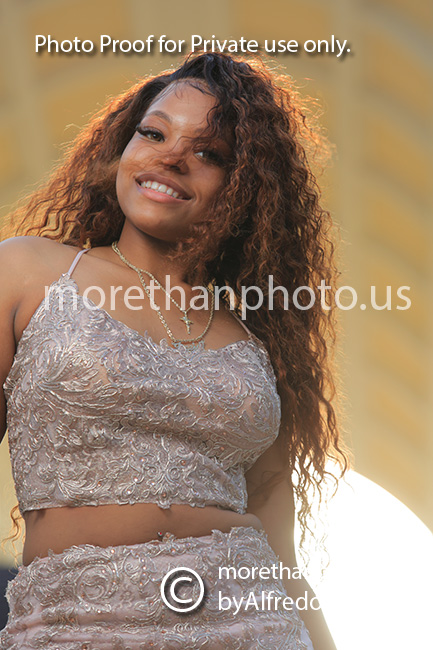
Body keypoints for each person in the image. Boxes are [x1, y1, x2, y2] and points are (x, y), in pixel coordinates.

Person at [0, 52, 348, 649]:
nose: (170, 158)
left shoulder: (257, 339)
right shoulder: (27, 269)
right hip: (74, 625)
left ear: (246, 190)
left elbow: (280, 546)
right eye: (154, 133)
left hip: (254, 625)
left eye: (209, 153)